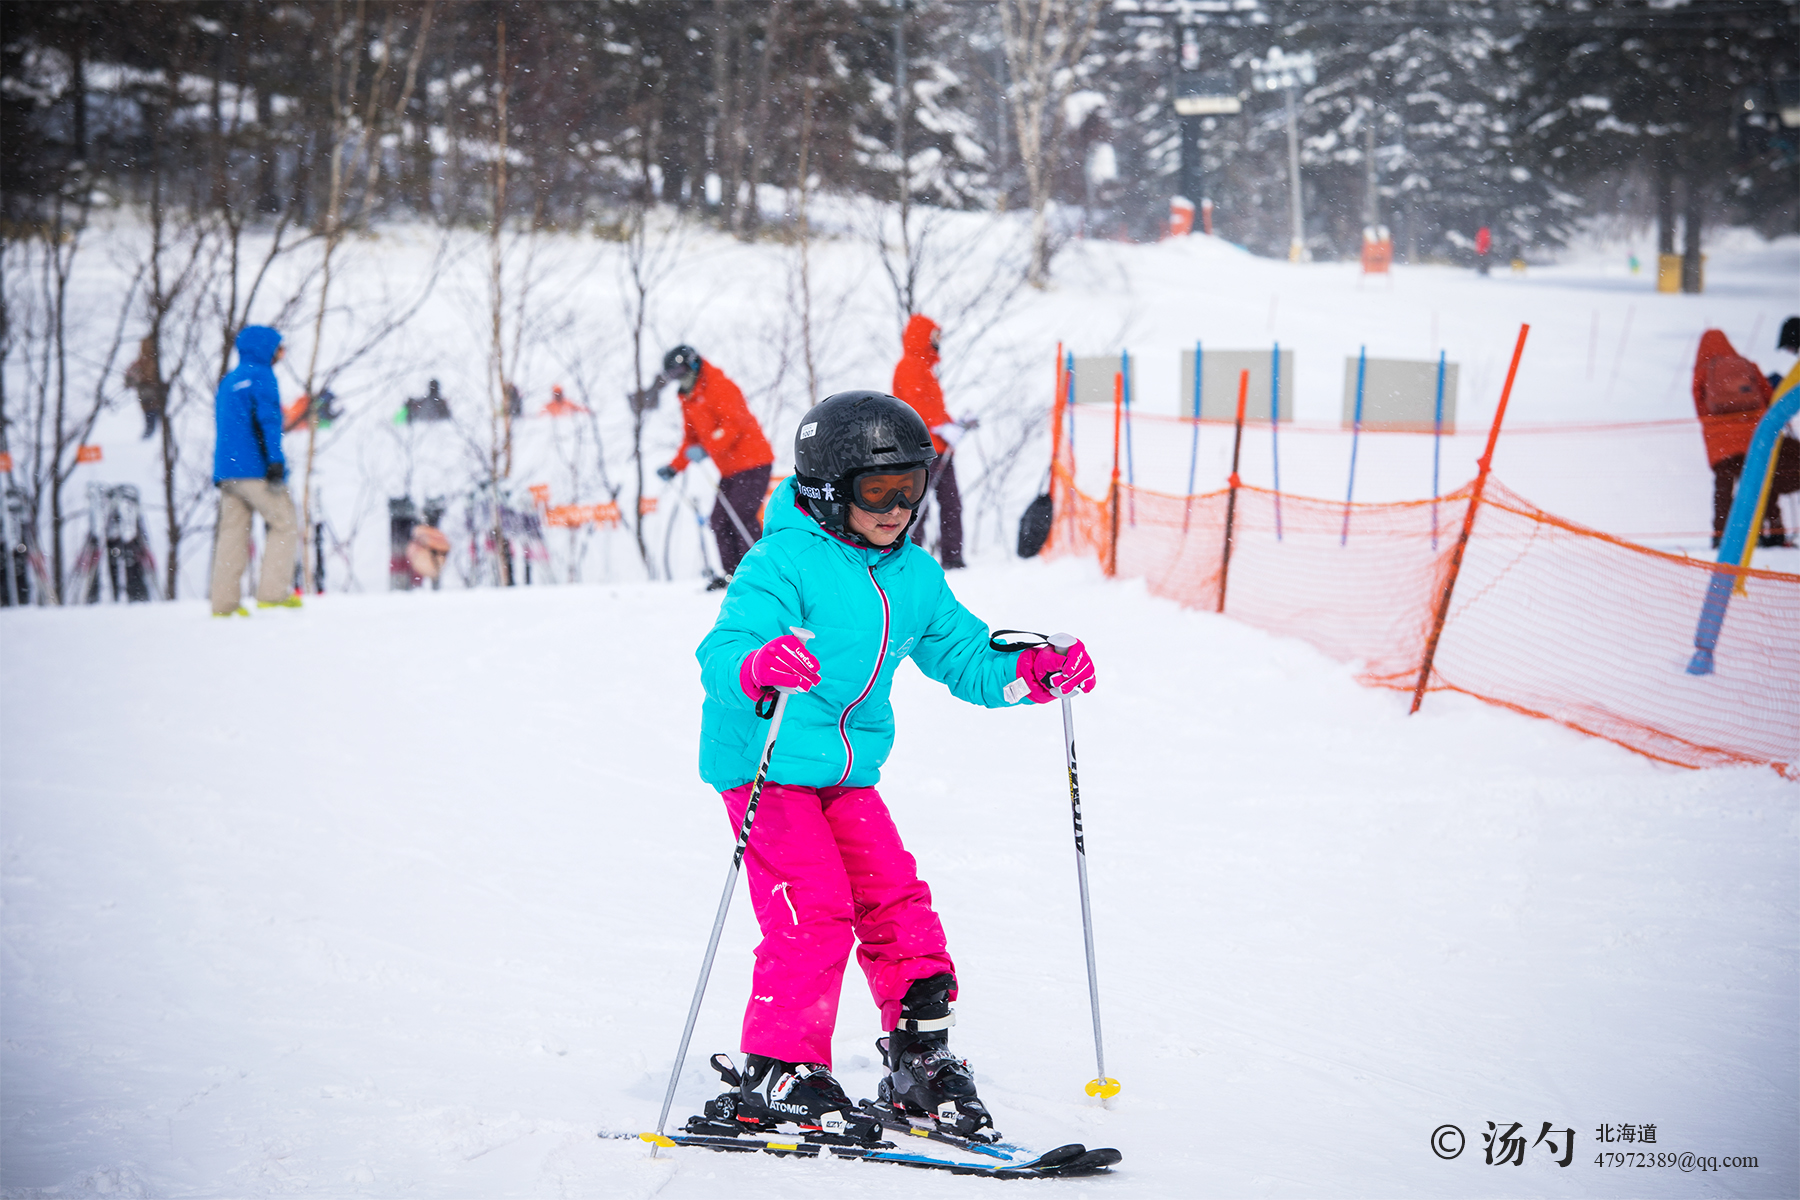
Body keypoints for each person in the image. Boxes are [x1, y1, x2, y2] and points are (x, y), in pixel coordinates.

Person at [693, 391, 1098, 1143]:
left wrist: (1031, 673)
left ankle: (919, 1057)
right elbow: (723, 649)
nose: (897, 509)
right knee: (812, 907)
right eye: (876, 492)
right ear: (824, 491)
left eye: (910, 488)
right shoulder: (781, 561)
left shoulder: (912, 574)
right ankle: (778, 1069)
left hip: (845, 773)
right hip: (766, 763)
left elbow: (969, 657)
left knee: (896, 899)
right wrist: (758, 664)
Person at [654, 345, 774, 585]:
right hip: (730, 470)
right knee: (719, 520)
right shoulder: (689, 398)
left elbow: (734, 425)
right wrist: (675, 467)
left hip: (753, 463)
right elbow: (691, 439)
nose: (678, 378)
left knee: (741, 515)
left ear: (692, 364)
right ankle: (734, 575)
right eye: (672, 375)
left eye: (679, 371)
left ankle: (761, 575)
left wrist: (708, 448)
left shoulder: (719, 385)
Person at [210, 325, 301, 615]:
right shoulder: (262, 377)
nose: (282, 354)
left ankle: (223, 604)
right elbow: (268, 422)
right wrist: (275, 462)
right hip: (255, 469)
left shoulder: (230, 381)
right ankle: (272, 594)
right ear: (266, 349)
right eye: (280, 348)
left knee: (232, 533)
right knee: (284, 522)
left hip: (227, 472)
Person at [1692, 328, 1798, 549]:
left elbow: (1700, 406)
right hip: (1753, 436)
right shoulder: (1745, 364)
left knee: (1723, 489)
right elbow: (1768, 394)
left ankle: (1721, 534)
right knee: (1761, 483)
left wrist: (1717, 426)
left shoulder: (1702, 371)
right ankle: (1772, 530)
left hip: (1720, 442)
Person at [891, 314, 976, 569]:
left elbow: (935, 408)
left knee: (951, 504)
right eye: (934, 337)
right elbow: (916, 406)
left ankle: (953, 556)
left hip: (939, 448)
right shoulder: (909, 366)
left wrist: (954, 424)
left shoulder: (926, 369)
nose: (938, 343)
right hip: (918, 450)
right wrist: (941, 425)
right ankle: (910, 558)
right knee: (918, 506)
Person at [123, 336, 166, 439]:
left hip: (152, 396)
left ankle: (151, 437)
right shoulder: (143, 363)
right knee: (152, 419)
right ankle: (148, 439)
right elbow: (129, 379)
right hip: (149, 396)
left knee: (153, 419)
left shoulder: (154, 362)